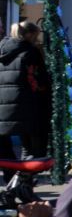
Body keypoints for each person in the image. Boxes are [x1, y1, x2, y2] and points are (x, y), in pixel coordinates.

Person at [0, 21, 50, 179]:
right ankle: (22, 183)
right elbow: (38, 80)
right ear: (29, 35)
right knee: (29, 149)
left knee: (6, 150)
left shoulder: (2, 50)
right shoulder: (31, 52)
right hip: (26, 106)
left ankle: (11, 181)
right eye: (35, 36)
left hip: (3, 107)